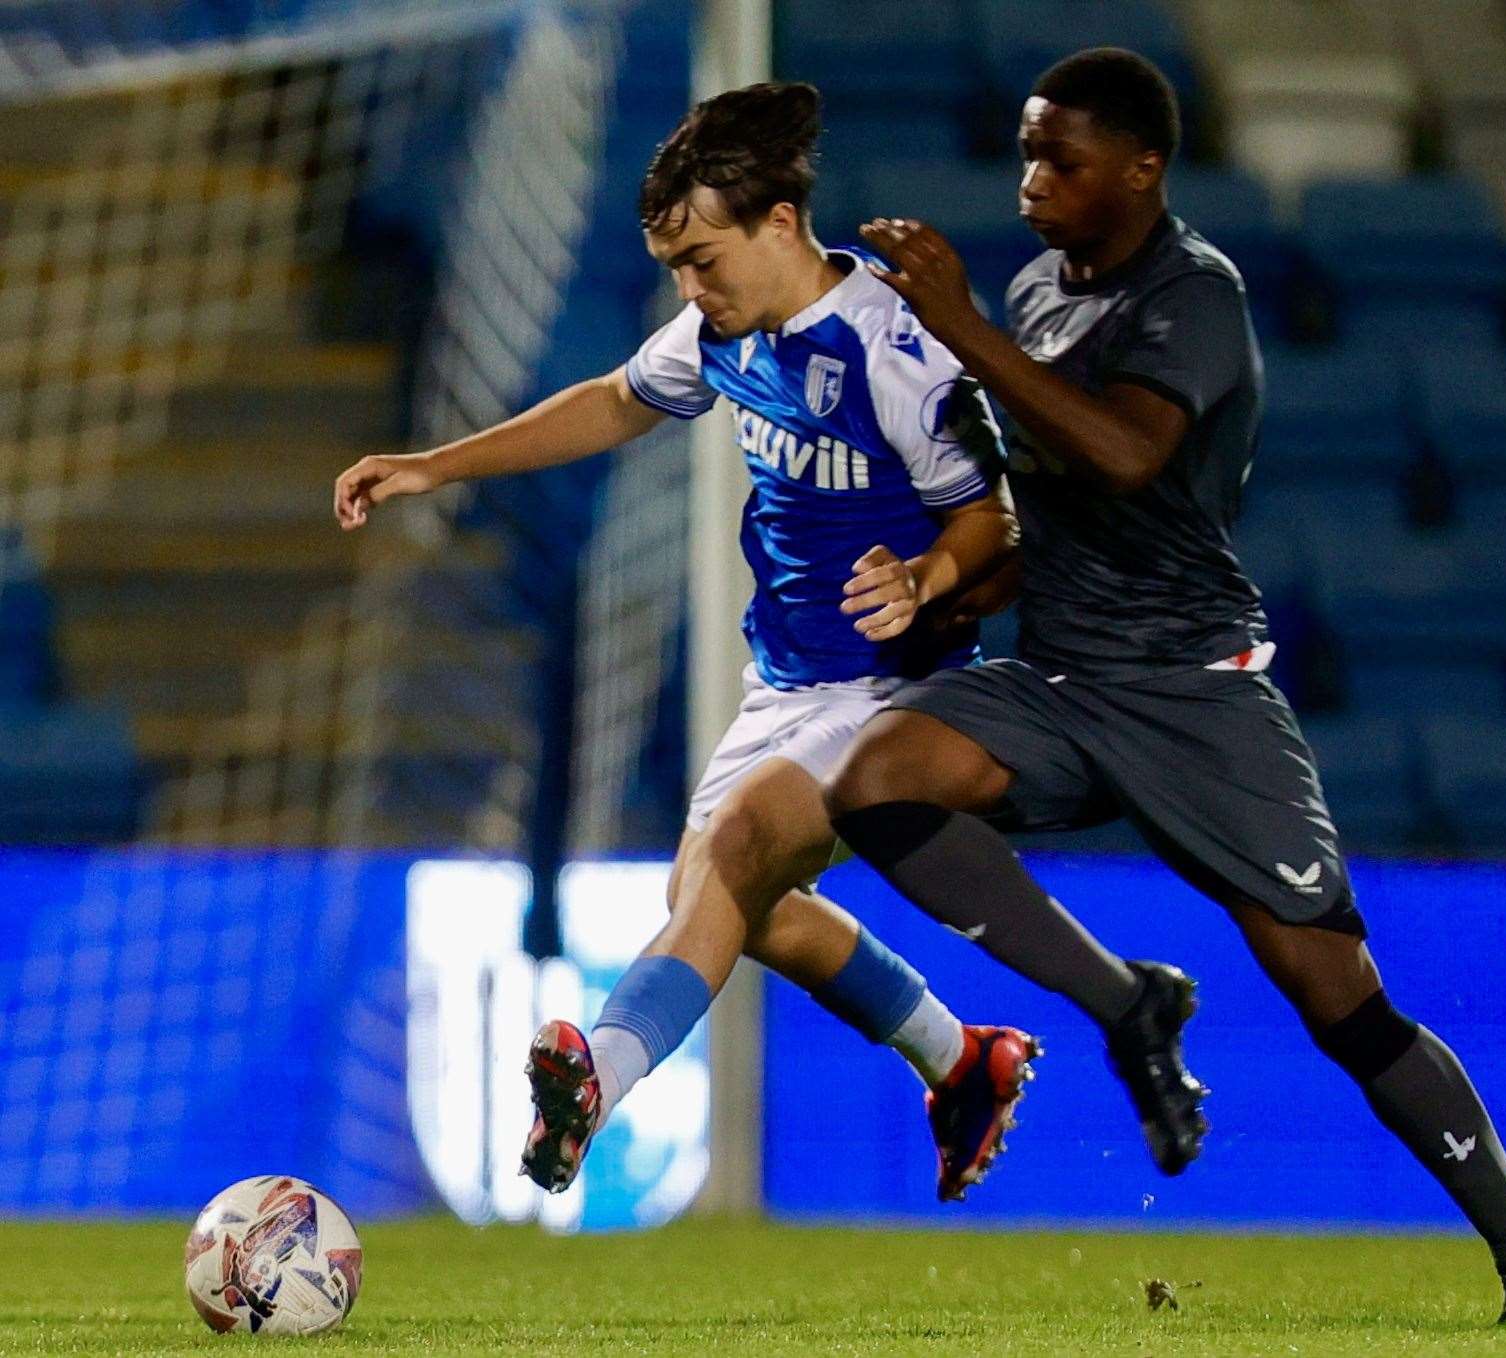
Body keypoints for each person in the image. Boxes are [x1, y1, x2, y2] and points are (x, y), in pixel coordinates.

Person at [824, 48, 1506, 1323]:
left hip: (1192, 693)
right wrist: (956, 584)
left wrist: (961, 331)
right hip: (1063, 677)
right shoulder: (1035, 291)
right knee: (877, 779)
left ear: (1141, 167)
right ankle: (1127, 1001)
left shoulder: (1195, 295)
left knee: (1336, 994)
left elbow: (1127, 456)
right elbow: (1053, 503)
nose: (1032, 181)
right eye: (1024, 152)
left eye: (1060, 159)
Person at [334, 82, 1035, 1205]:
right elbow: (615, 399)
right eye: (674, 267)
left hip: (907, 689)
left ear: (781, 226)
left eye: (704, 259)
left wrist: (929, 575)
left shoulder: (897, 347)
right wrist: (434, 464)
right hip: (789, 682)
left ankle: (594, 1081)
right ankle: (963, 1059)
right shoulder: (724, 329)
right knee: (724, 897)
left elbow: (997, 513)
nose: (690, 288)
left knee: (742, 845)